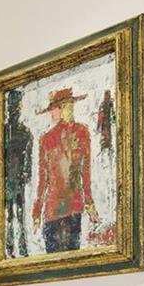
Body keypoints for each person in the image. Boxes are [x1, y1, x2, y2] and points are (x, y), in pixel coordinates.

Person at [33, 87, 97, 253]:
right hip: (58, 209)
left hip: (67, 208)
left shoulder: (81, 132)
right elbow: (43, 178)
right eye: (66, 106)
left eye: (71, 105)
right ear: (59, 110)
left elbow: (86, 171)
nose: (70, 109)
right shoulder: (48, 138)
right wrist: (36, 211)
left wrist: (89, 203)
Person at [1, 90, 34, 258]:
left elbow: (28, 161)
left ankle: (16, 248)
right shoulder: (16, 132)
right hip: (10, 180)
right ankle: (15, 248)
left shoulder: (22, 132)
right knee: (13, 215)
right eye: (17, 105)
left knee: (15, 215)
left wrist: (25, 175)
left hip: (13, 180)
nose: (17, 109)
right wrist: (25, 174)